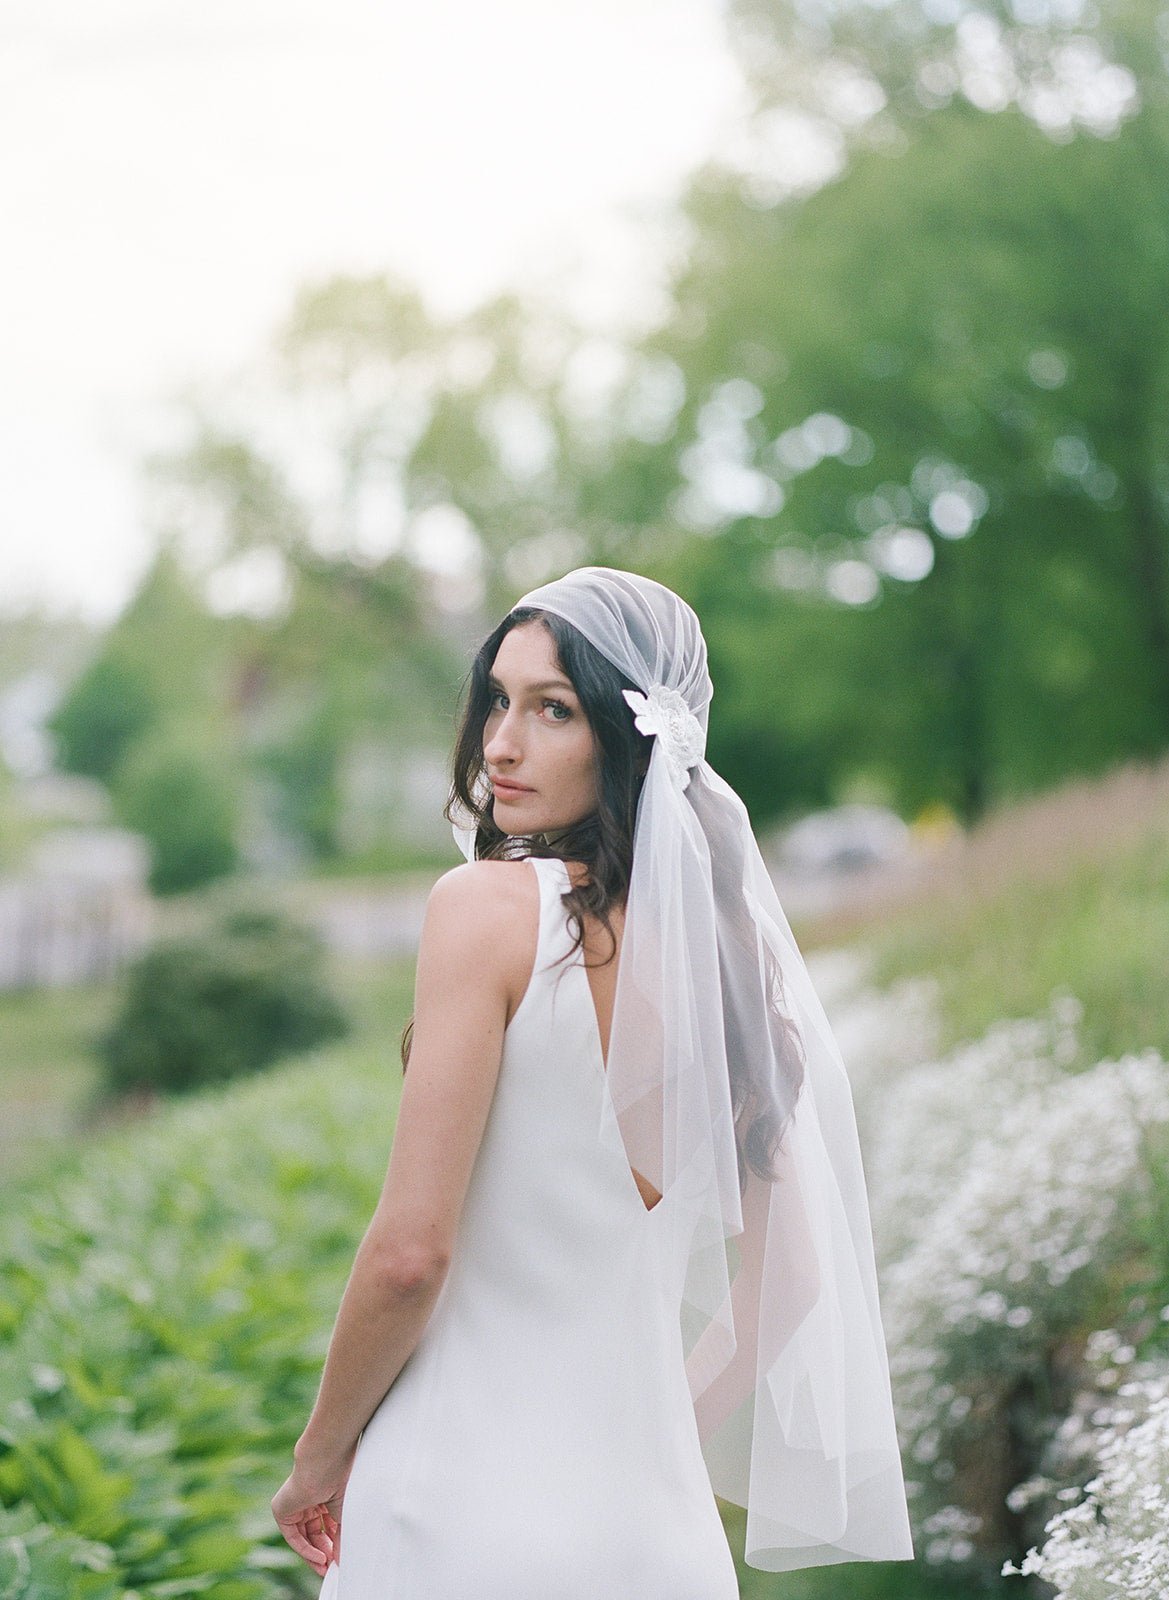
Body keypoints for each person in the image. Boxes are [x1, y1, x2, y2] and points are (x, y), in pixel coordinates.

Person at [271, 567, 914, 1595]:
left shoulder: (483, 909)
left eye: (551, 709)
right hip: (653, 1538)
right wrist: (642, 1443)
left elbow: (407, 1255)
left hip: (455, 1515)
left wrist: (315, 1459)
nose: (499, 744)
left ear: (626, 738)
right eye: (497, 698)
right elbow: (787, 1285)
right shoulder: (731, 968)